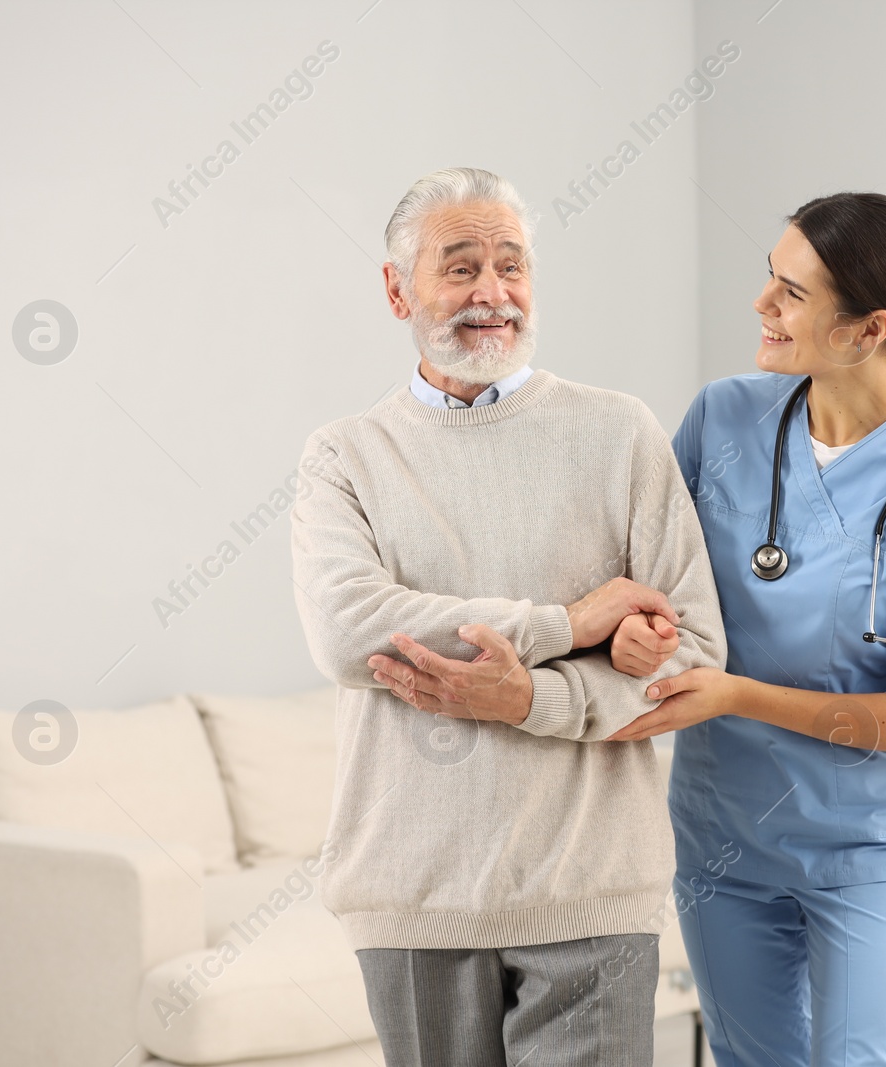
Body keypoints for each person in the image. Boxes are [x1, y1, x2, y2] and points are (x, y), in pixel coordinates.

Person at [289, 166, 727, 1067]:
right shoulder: (344, 455)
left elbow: (699, 651)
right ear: (396, 287)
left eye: (511, 265)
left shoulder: (620, 433)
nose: (492, 293)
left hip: (593, 888)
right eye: (460, 267)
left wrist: (526, 697)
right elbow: (348, 630)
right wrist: (572, 624)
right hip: (413, 896)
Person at [605, 191, 886, 1065]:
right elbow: (652, 588)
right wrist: (635, 634)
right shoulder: (722, 419)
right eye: (769, 278)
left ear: (868, 330)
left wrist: (737, 694)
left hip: (869, 850)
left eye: (791, 292)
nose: (762, 305)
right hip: (722, 843)